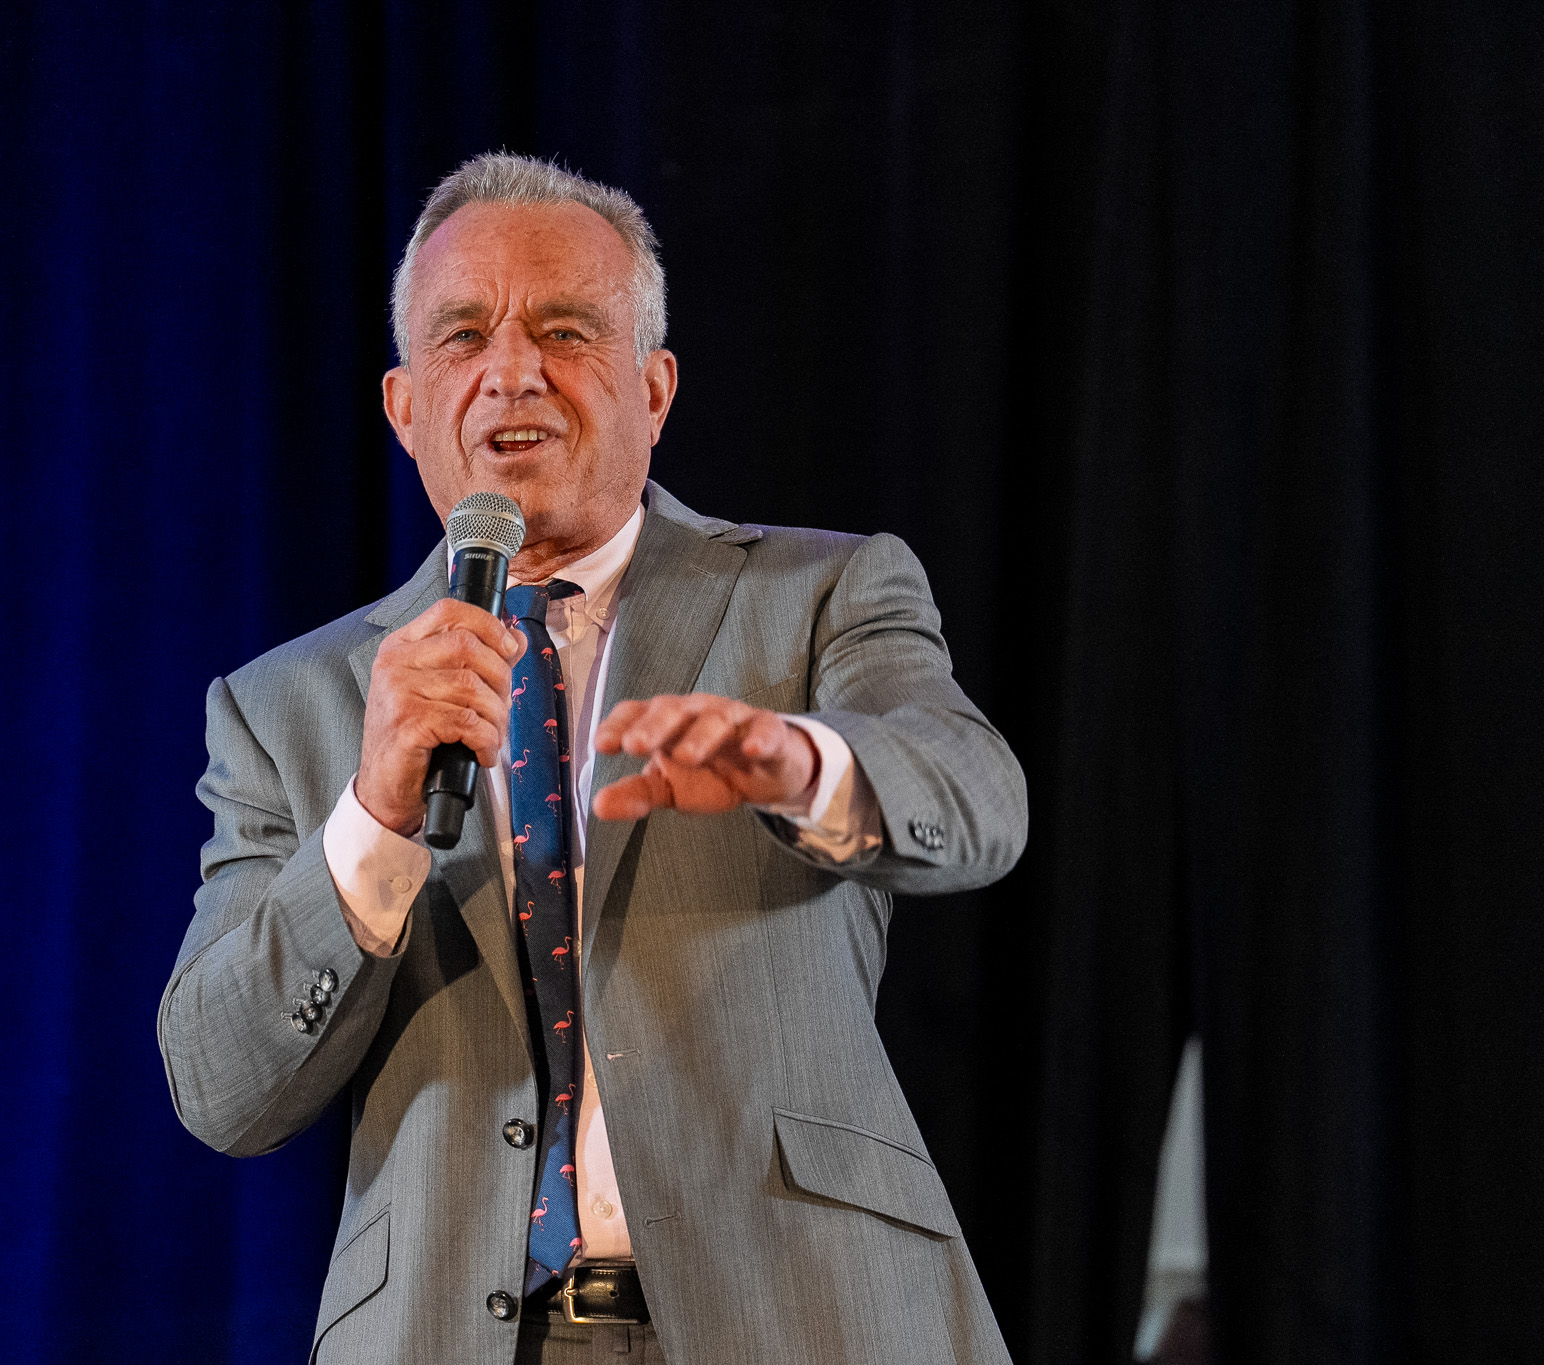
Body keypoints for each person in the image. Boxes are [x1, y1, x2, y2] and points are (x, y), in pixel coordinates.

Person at [160, 152, 1027, 1365]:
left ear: (653, 387)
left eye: (564, 329)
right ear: (405, 407)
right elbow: (221, 1085)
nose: (511, 370)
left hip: (805, 1314)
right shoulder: (287, 706)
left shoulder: (817, 592)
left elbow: (975, 798)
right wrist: (372, 820)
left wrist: (799, 766)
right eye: (462, 336)